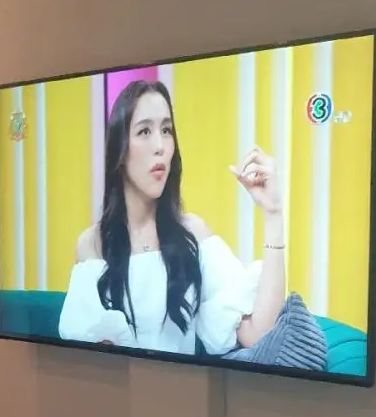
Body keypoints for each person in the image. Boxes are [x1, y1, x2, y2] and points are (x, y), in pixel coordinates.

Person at [58, 80, 286, 356]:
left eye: (166, 130)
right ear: (120, 150)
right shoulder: (92, 244)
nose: (160, 146)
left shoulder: (192, 233)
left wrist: (273, 215)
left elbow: (257, 333)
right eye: (144, 131)